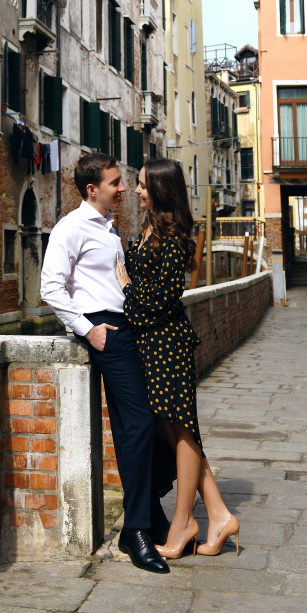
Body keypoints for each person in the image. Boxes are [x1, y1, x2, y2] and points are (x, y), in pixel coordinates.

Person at [40, 153, 171, 574]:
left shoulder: (108, 227)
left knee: (141, 423)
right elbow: (51, 287)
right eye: (115, 182)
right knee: (141, 422)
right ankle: (136, 530)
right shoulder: (71, 227)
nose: (123, 188)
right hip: (106, 332)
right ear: (92, 189)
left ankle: (149, 517)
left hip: (127, 328)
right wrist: (87, 329)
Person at [116, 158, 240, 560]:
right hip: (150, 346)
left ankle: (184, 523)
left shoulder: (173, 236)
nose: (137, 190)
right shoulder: (149, 229)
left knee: (183, 432)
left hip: (167, 345)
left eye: (142, 184)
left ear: (160, 189)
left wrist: (127, 289)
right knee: (172, 433)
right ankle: (219, 515)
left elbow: (163, 299)